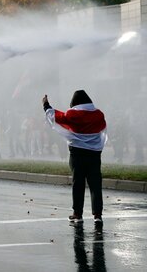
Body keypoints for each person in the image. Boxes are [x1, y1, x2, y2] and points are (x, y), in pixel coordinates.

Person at [42, 90, 107, 225]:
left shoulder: (73, 114)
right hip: (94, 155)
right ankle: (98, 215)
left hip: (77, 154)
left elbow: (58, 117)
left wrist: (46, 105)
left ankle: (77, 214)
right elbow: (102, 128)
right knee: (95, 184)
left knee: (78, 183)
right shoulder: (99, 114)